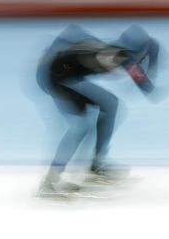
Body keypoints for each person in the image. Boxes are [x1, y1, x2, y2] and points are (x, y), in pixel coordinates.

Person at [35, 24, 160, 197]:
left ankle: (96, 167)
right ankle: (50, 182)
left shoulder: (123, 55)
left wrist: (151, 67)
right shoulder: (109, 55)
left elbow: (73, 30)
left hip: (64, 73)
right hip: (54, 76)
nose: (138, 63)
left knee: (110, 105)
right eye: (141, 57)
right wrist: (50, 55)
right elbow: (146, 85)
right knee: (82, 126)